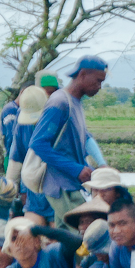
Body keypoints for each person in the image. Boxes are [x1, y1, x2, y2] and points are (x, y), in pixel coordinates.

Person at [29, 55, 107, 228]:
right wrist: (76, 169)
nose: (99, 86)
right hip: (61, 186)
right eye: (97, 81)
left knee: (66, 241)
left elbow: (85, 136)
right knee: (84, 233)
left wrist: (102, 165)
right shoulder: (59, 102)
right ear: (83, 74)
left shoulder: (76, 103)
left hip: (72, 184)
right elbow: (38, 143)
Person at [6, 85, 55, 226]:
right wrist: (9, 192)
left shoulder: (60, 119)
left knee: (56, 237)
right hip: (33, 192)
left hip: (57, 191)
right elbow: (16, 158)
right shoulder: (22, 125)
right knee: (30, 233)